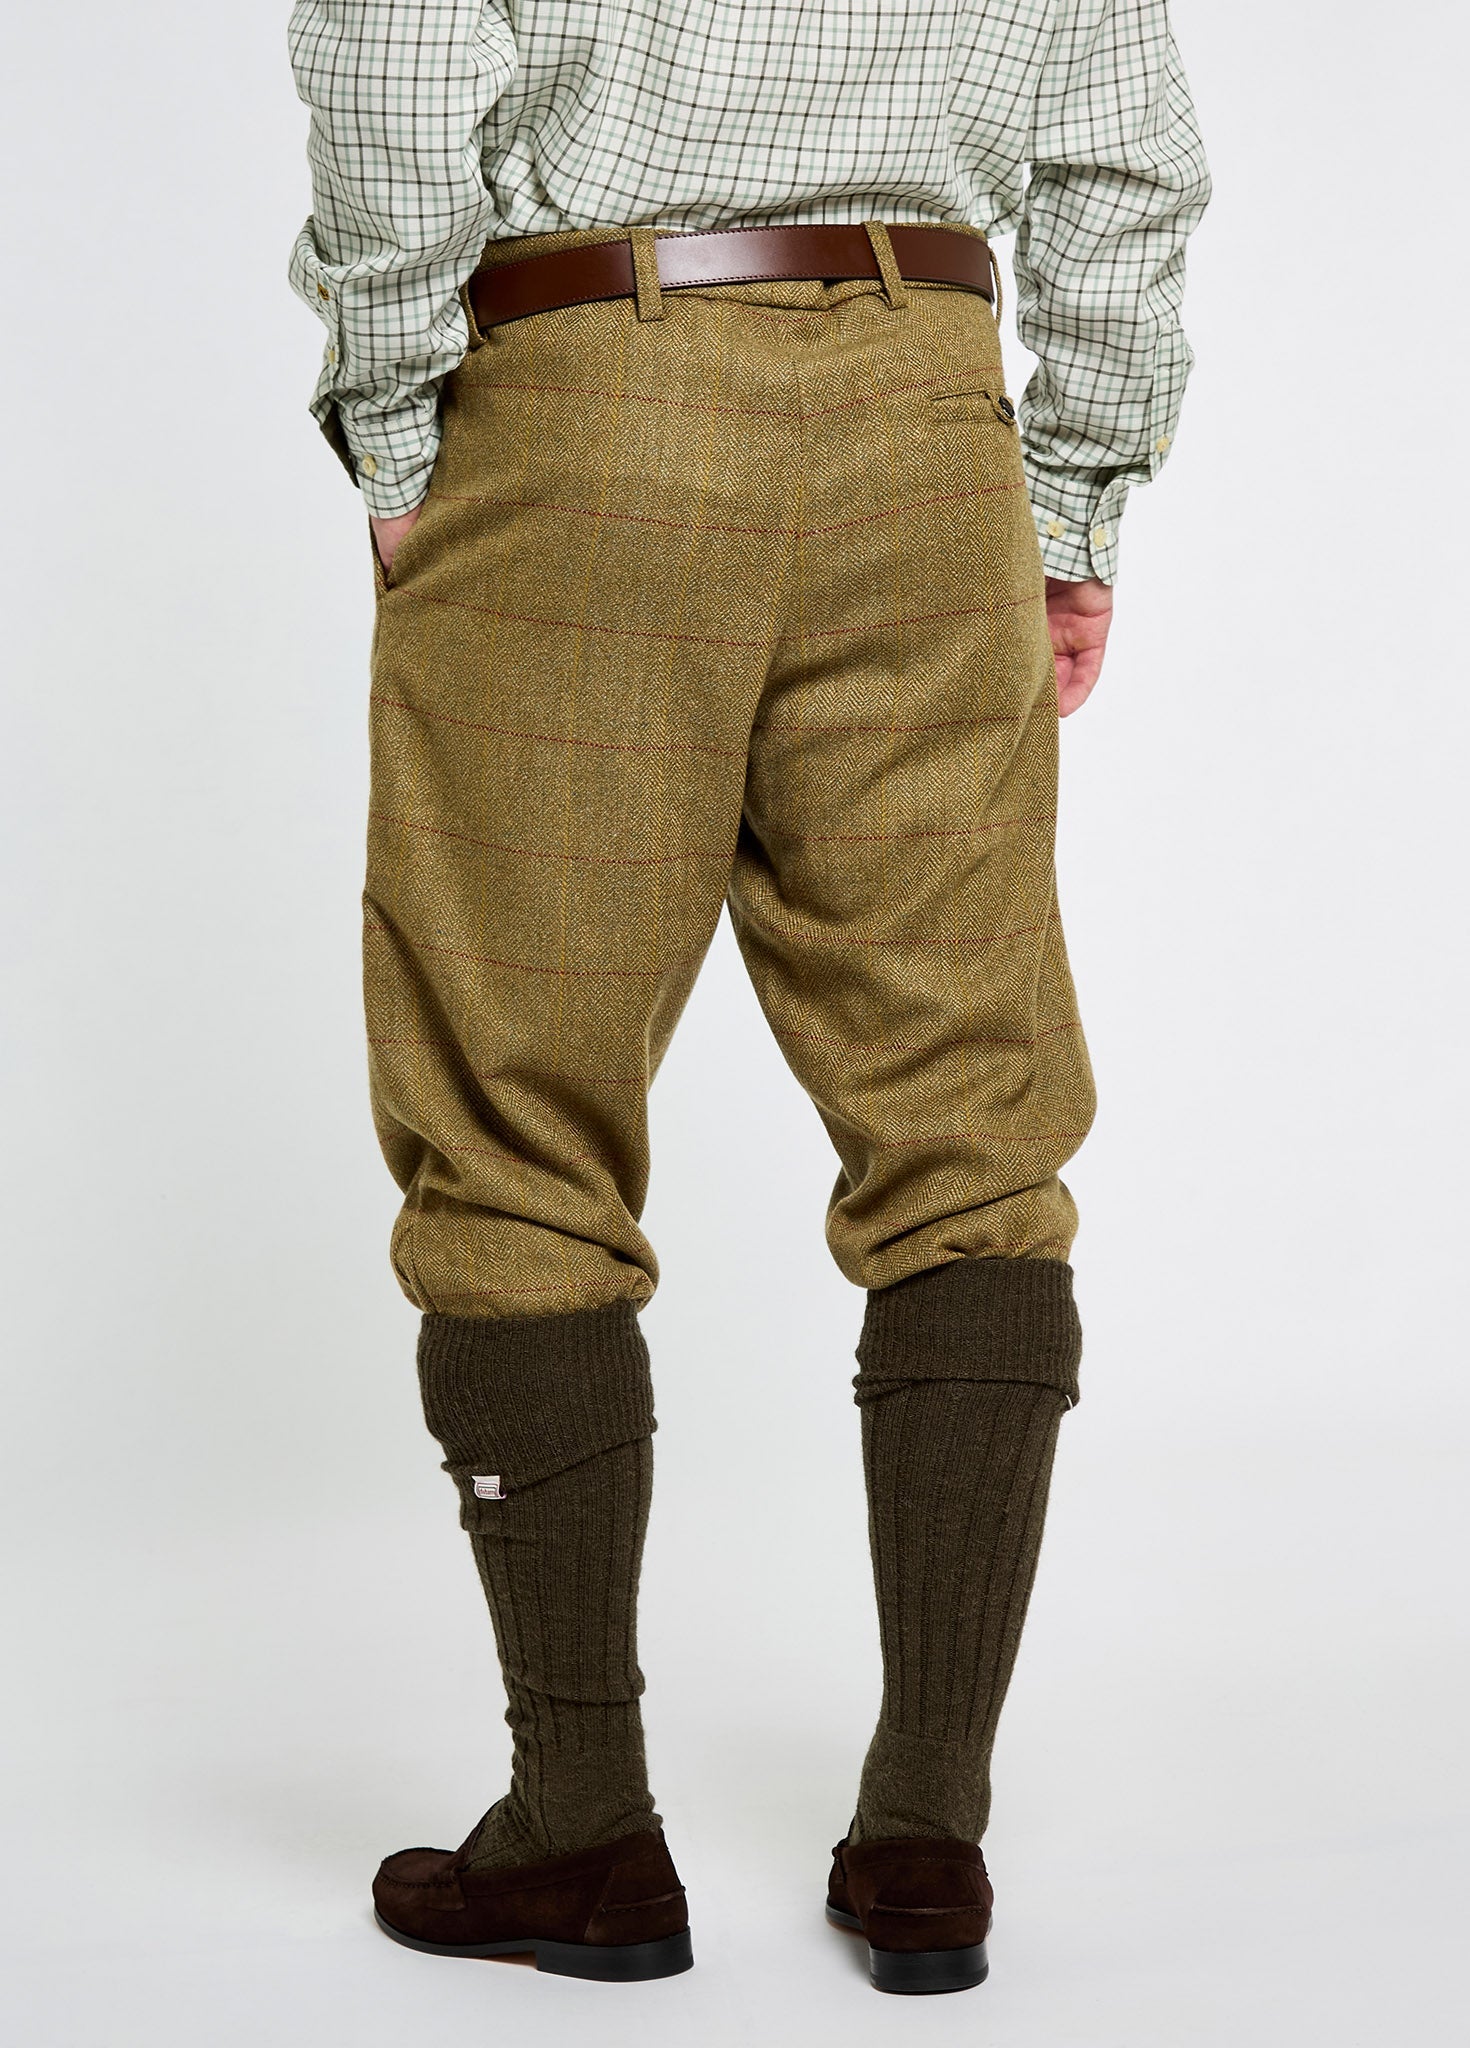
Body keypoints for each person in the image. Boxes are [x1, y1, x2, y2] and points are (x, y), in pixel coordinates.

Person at [287, 0, 1210, 1996]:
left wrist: (396, 426)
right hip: (927, 411)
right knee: (968, 1129)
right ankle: (928, 1835)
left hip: (589, 393)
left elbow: (394, 54)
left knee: (514, 1107)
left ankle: (584, 1831)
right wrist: (1068, 506)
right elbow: (1126, 156)